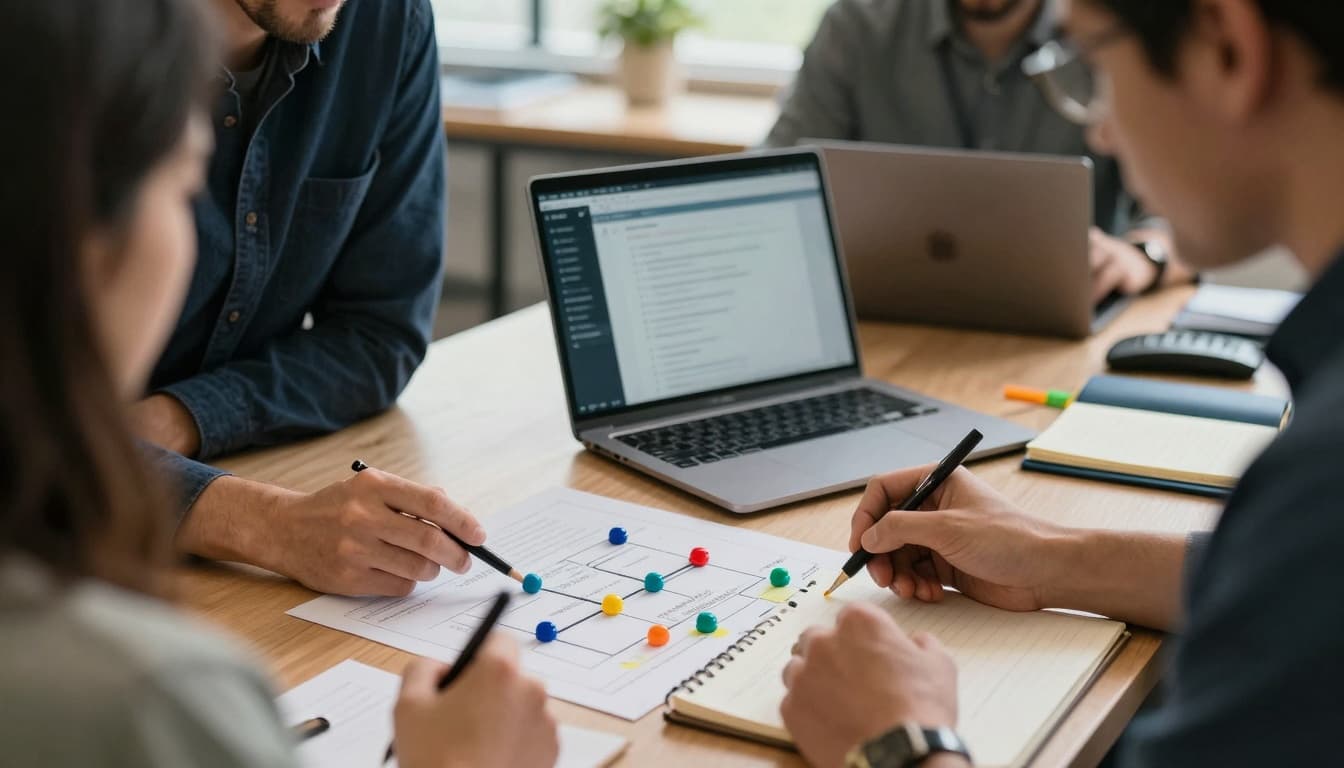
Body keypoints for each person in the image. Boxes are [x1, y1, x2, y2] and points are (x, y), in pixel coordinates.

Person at [780, 0, 1344, 765]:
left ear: (1226, 48)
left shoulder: (1321, 478)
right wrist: (1047, 552)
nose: (1099, 130)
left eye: (1098, 70)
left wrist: (900, 743)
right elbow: (1297, 587)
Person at [0, 1, 558, 765]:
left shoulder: (382, 23)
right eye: (182, 182)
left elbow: (379, 332)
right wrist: (252, 520)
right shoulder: (158, 694)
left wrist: (166, 422)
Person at [131, 0, 481, 598]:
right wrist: (269, 524)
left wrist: (181, 417)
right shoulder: (57, 39)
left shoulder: (387, 23)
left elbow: (378, 336)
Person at [766, 0, 1197, 305]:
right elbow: (774, 182)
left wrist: (1144, 257)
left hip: (1067, 345)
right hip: (886, 332)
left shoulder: (1109, 27)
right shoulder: (857, 25)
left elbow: (1195, 211)